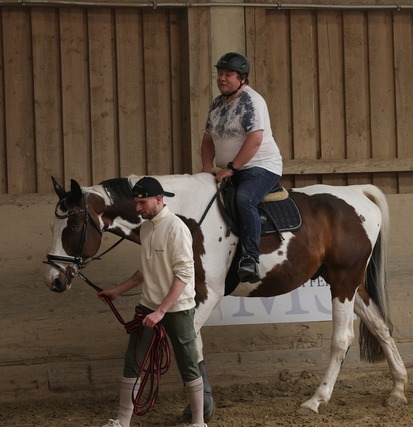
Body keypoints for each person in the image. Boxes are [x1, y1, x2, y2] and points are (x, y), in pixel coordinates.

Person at [98, 176, 206, 427]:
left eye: (142, 203)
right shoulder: (146, 228)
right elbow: (144, 271)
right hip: (148, 305)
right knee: (133, 360)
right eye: (136, 202)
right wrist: (117, 291)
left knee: (188, 363)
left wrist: (161, 311)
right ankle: (122, 422)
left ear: (159, 199)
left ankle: (199, 423)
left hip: (177, 308)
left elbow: (184, 275)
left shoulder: (176, 228)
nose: (138, 208)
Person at [201, 52, 283, 283]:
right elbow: (208, 139)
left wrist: (232, 168)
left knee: (244, 199)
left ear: (242, 78)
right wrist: (206, 167)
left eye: (228, 74)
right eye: (220, 73)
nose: (221, 78)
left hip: (260, 166)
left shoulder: (251, 101)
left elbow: (255, 139)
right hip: (228, 169)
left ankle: (250, 258)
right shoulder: (217, 103)